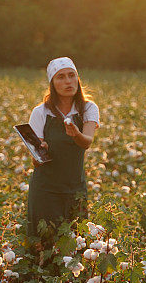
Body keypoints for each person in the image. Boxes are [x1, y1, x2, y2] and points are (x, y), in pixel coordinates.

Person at [25, 57, 99, 245]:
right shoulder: (40, 113)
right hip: (45, 191)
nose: (67, 81)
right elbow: (36, 161)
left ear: (78, 79)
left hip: (75, 188)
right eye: (61, 77)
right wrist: (41, 150)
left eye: (71, 75)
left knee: (75, 245)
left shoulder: (88, 109)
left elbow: (87, 142)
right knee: (44, 244)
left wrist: (76, 134)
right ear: (52, 83)